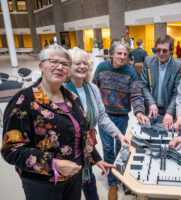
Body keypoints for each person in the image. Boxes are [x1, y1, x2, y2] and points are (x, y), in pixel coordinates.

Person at [1, 45, 114, 200]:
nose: (59, 67)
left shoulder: (71, 97)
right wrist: (54, 164)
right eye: (53, 61)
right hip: (42, 183)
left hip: (74, 176)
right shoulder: (24, 101)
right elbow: (11, 150)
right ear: (41, 66)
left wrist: (97, 158)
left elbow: (82, 134)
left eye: (65, 64)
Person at [64, 47, 131, 200]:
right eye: (77, 63)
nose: (82, 66)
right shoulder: (62, 89)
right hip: (67, 149)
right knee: (70, 189)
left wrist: (119, 135)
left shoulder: (93, 89)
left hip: (87, 148)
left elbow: (101, 116)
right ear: (69, 66)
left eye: (85, 63)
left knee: (89, 185)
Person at [93, 40, 149, 200]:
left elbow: (136, 94)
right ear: (111, 54)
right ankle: (112, 184)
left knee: (122, 148)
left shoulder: (131, 72)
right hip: (104, 117)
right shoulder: (102, 68)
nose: (122, 56)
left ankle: (122, 179)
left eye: (125, 54)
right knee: (109, 149)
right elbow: (94, 88)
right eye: (119, 53)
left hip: (122, 117)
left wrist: (138, 111)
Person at [140, 34, 181, 130]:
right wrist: (151, 103)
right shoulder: (148, 61)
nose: (161, 53)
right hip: (151, 109)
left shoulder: (178, 66)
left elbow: (177, 93)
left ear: (171, 51)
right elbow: (143, 85)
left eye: (165, 50)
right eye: (158, 50)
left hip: (169, 111)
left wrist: (169, 112)